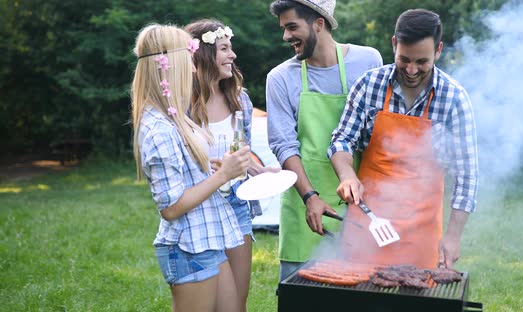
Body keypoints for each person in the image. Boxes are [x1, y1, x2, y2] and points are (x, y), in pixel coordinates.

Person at [329, 8, 479, 269]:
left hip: (422, 229)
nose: (411, 70)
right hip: (367, 220)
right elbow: (342, 139)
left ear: (439, 50)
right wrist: (347, 175)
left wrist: (453, 236)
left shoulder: (454, 98)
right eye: (404, 59)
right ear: (394, 44)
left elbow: (467, 173)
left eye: (422, 62)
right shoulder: (369, 85)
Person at [131, 23, 251, 311]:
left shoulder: (171, 117)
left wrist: (209, 166)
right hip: (188, 247)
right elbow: (170, 207)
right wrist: (223, 175)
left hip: (205, 238)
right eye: (189, 61)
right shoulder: (159, 128)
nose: (195, 69)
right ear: (171, 65)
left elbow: (184, 171)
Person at [266, 0, 384, 281]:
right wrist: (310, 197)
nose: (285, 36)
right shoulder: (280, 78)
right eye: (283, 28)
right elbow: (284, 145)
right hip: (306, 207)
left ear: (319, 23)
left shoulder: (368, 61)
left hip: (362, 204)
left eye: (292, 26)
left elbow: (379, 131)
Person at [184, 19, 279, 312]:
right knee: (205, 302)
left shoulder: (240, 100)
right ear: (202, 55)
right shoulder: (181, 105)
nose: (233, 55)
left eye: (231, 48)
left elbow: (241, 153)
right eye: (224, 48)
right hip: (198, 210)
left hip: (236, 207)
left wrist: (261, 172)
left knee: (236, 301)